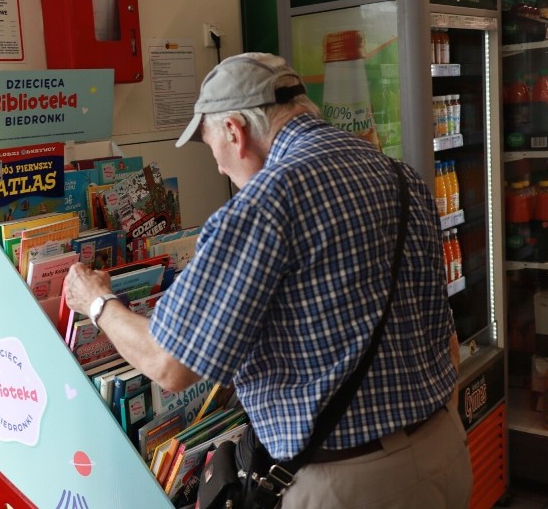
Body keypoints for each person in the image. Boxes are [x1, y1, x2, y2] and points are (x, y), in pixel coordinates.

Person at [62, 52, 472, 508]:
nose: (218, 166)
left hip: (350, 485)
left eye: (209, 144)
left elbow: (169, 364)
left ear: (235, 131)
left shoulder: (265, 204)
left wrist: (98, 302)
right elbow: (443, 331)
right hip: (445, 450)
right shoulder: (400, 175)